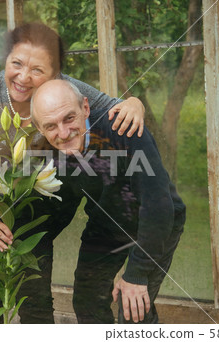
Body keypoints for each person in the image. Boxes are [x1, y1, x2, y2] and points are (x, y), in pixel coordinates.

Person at [0, 23, 146, 324]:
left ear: (56, 73)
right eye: (17, 64)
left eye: (37, 70)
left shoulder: (64, 89)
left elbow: (113, 107)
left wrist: (135, 103)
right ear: (6, 60)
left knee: (36, 299)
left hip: (25, 203)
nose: (23, 77)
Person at [30, 79, 186, 324]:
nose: (63, 133)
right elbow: (62, 205)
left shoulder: (125, 128)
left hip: (157, 219)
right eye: (50, 126)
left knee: (133, 308)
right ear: (39, 128)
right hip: (107, 223)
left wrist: (137, 273)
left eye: (69, 118)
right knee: (87, 300)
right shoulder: (49, 153)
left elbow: (158, 206)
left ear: (85, 108)